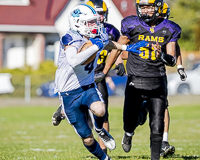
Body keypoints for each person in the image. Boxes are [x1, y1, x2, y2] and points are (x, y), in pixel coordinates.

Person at [54, 4, 148, 160]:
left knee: (100, 110)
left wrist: (126, 47)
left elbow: (107, 43)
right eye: (90, 22)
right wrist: (95, 47)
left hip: (87, 86)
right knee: (87, 138)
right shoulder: (69, 37)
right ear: (78, 22)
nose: (95, 25)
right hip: (68, 92)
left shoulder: (97, 34)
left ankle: (100, 130)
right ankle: (104, 159)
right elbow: (73, 60)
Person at [98, 0, 182, 159]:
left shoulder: (169, 28)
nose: (145, 10)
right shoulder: (131, 25)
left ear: (157, 7)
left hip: (157, 80)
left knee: (157, 123)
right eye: (142, 7)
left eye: (149, 7)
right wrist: (104, 71)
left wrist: (162, 55)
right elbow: (116, 49)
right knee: (129, 119)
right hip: (136, 78)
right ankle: (128, 133)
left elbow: (171, 59)